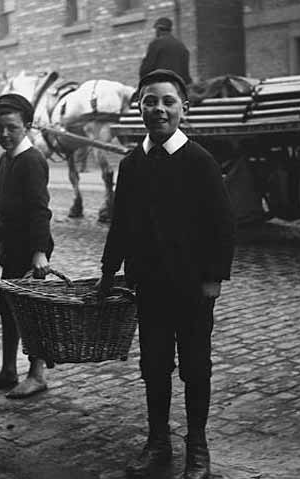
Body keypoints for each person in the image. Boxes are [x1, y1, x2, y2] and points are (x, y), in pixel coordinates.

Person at [96, 69, 235, 479]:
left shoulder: (199, 161)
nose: (158, 109)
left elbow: (223, 225)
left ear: (183, 110)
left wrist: (213, 278)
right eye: (150, 101)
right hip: (150, 285)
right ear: (139, 108)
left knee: (195, 367)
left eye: (168, 102)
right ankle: (158, 442)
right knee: (154, 365)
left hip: (192, 287)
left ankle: (197, 447)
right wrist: (109, 271)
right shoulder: (133, 164)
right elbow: (120, 224)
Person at [0, 93, 54, 399]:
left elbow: (40, 210)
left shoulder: (32, 161)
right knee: (7, 309)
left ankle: (37, 375)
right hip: (11, 250)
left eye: (11, 127)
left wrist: (39, 252)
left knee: (31, 313)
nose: (5, 134)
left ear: (27, 126)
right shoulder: (4, 160)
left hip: (31, 252)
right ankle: (9, 370)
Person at [139, 17, 192, 86]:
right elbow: (186, 74)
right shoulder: (181, 46)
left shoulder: (156, 44)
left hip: (160, 87)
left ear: (158, 29)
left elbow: (146, 69)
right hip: (178, 88)